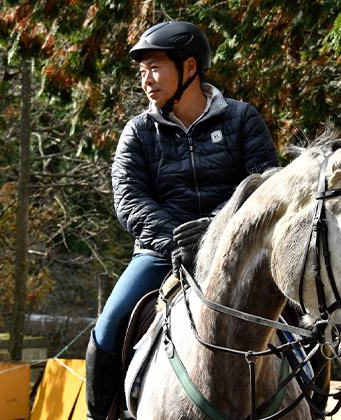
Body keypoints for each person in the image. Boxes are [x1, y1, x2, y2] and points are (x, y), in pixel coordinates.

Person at [85, 21, 280, 420]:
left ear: (189, 67)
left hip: (238, 251)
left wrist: (215, 232)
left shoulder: (243, 120)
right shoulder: (138, 132)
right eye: (142, 72)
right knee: (107, 330)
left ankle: (314, 405)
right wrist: (175, 240)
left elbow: (266, 188)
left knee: (303, 319)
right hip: (161, 253)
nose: (146, 80)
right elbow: (128, 199)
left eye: (154, 67)